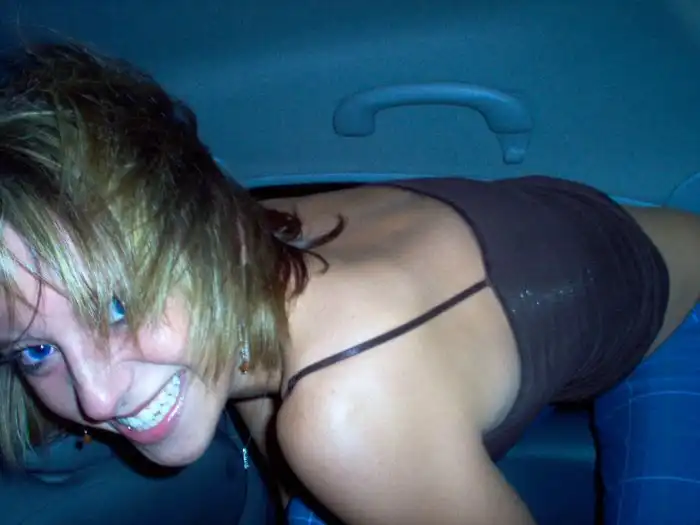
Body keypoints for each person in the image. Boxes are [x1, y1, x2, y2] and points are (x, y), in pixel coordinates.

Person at [0, 41, 699, 525]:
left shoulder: (345, 414)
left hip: (680, 320)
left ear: (200, 234)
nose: (95, 398)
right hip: (609, 233)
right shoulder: (247, 241)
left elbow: (339, 426)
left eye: (116, 307)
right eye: (35, 350)